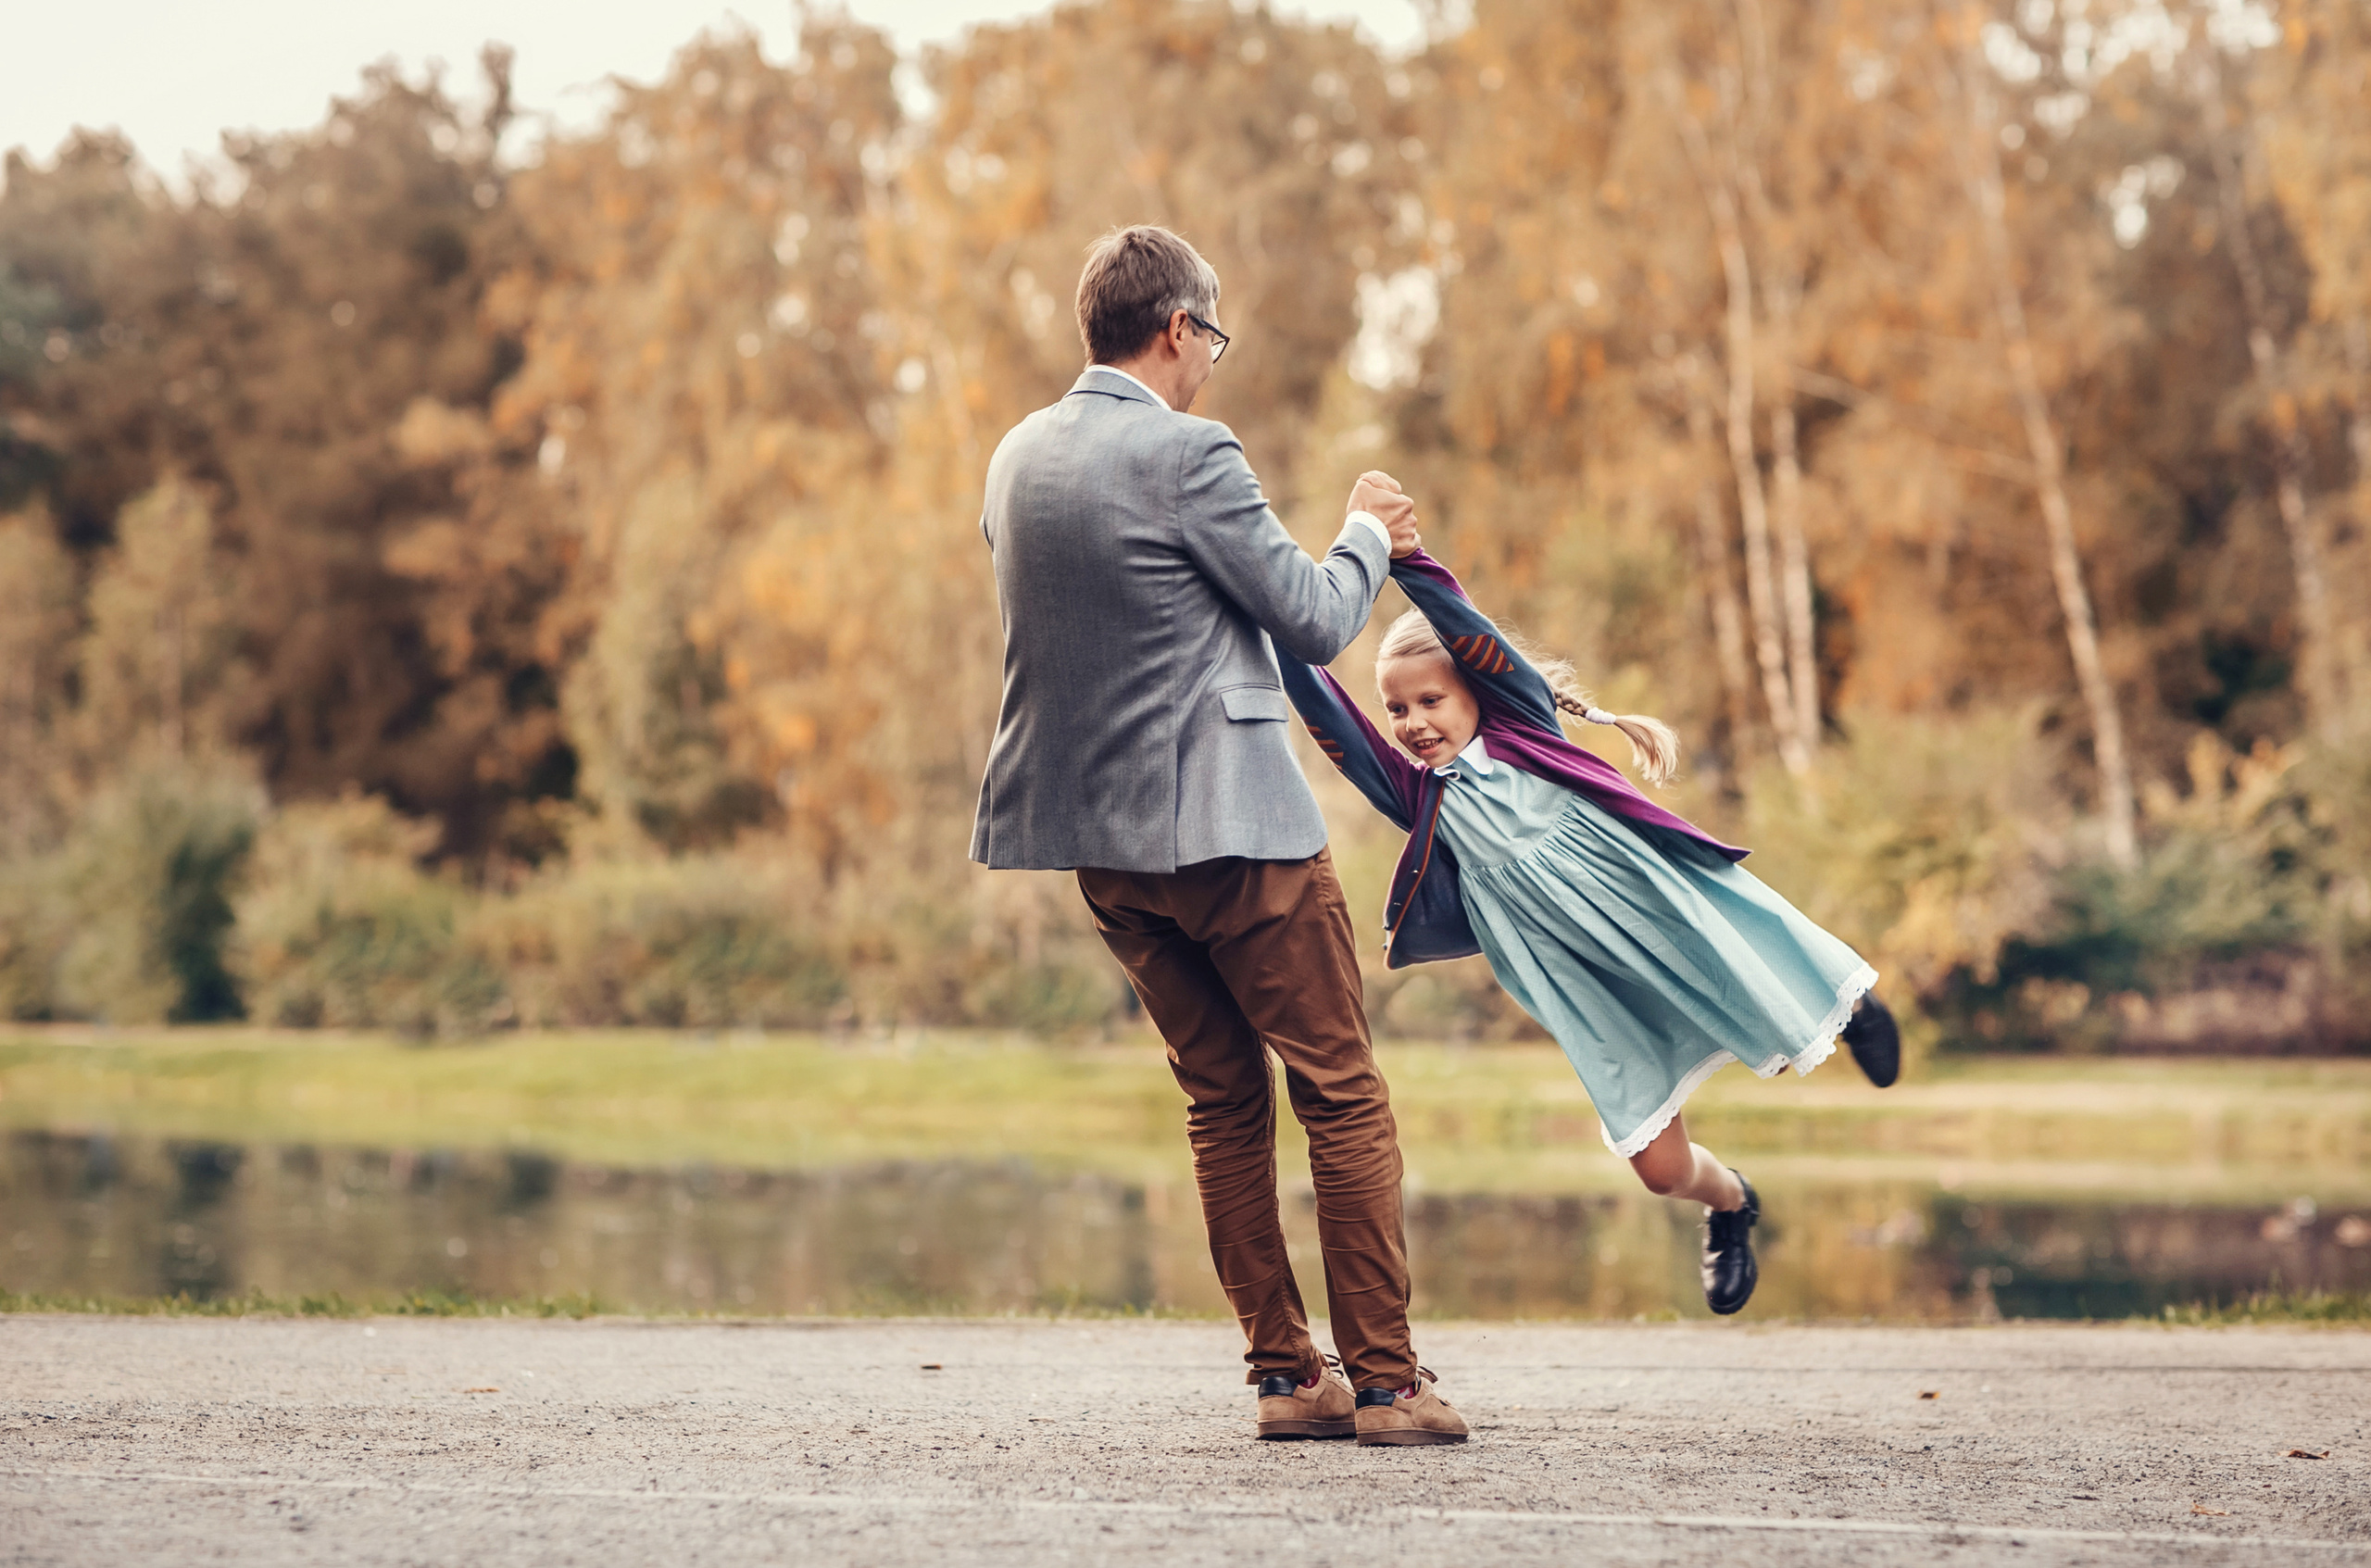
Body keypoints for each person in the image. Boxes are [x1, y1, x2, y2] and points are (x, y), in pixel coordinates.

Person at [971, 225, 1466, 1445]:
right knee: (1340, 1095)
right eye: (1213, 338)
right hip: (1238, 834)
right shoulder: (1190, 451)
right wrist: (1365, 530)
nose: (1210, 363)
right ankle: (1389, 1385)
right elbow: (1315, 617)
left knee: (1221, 1102)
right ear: (1178, 327)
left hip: (1104, 847)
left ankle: (1287, 1376)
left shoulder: (1016, 457)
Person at [1280, 546, 1901, 1315]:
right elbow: (1335, 723)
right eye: (1397, 709)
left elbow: (1465, 626)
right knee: (1660, 1170)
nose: (1413, 723)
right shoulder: (1420, 797)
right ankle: (1732, 1201)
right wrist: (1272, 615)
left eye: (1430, 700)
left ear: (1476, 689)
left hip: (1650, 912)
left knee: (1746, 962)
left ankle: (1848, 1001)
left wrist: (1401, 554)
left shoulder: (1524, 731)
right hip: (1580, 982)